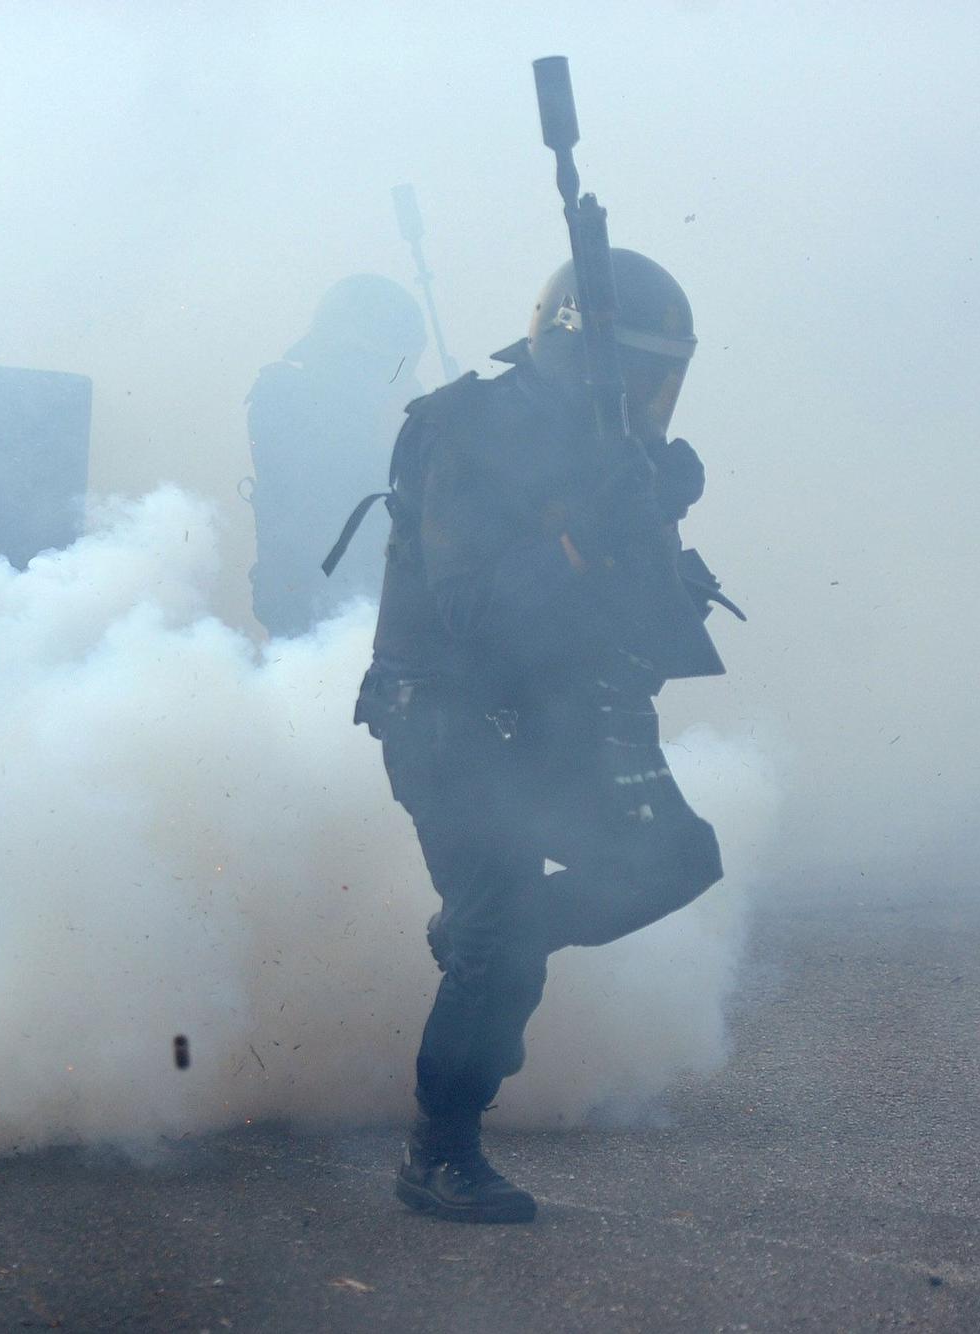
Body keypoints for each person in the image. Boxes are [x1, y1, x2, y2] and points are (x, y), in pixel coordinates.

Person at [355, 249, 728, 1224]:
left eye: (666, 375)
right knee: (498, 935)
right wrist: (590, 536)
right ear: (583, 357)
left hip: (551, 714)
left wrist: (658, 545)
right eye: (637, 372)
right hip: (442, 716)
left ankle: (487, 935)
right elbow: (472, 606)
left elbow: (626, 623)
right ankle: (438, 1148)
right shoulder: (465, 432)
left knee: (674, 856)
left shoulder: (611, 454)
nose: (654, 395)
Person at [247, 274, 425, 638]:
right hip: (317, 608)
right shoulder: (282, 398)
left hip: (385, 597)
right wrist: (386, 436)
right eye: (381, 363)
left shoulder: (392, 399)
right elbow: (320, 490)